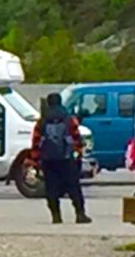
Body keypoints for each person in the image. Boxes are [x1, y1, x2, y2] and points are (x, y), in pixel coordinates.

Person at [31, 93, 92, 224]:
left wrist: (35, 160)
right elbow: (76, 138)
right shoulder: (69, 119)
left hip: (48, 160)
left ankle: (56, 216)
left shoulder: (41, 122)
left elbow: (36, 142)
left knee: (51, 188)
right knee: (73, 187)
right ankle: (80, 214)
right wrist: (78, 154)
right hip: (67, 159)